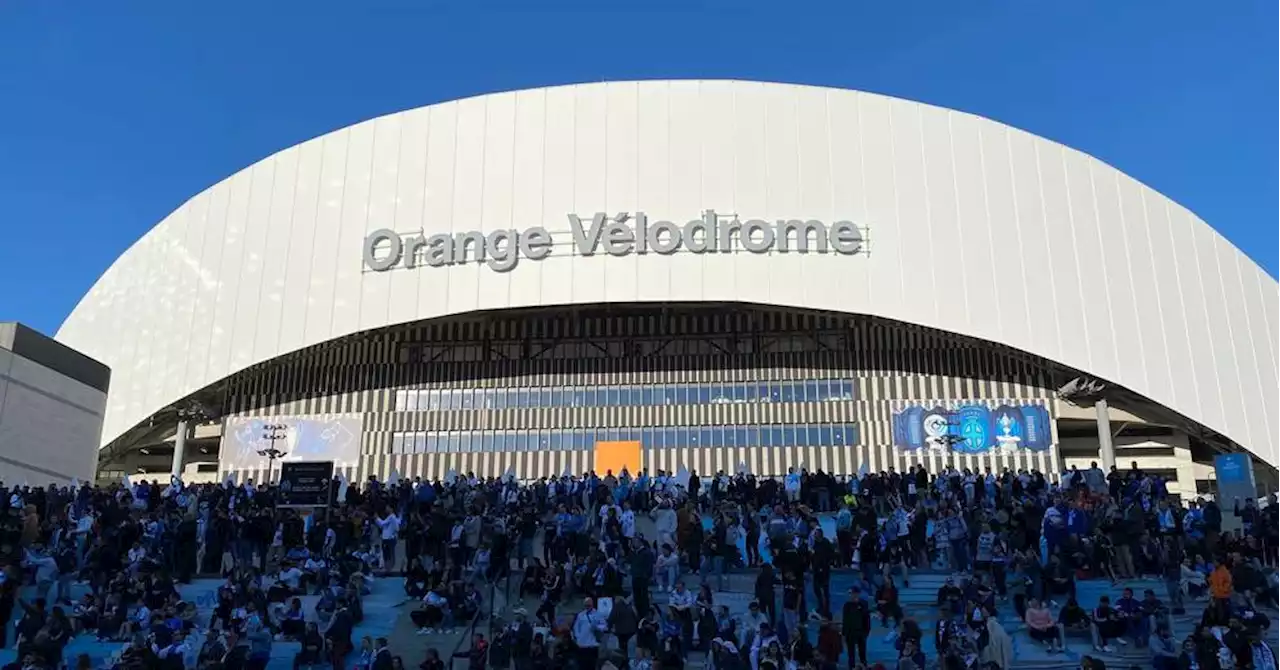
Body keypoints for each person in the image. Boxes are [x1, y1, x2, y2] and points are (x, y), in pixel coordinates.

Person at [841, 587, 871, 667]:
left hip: (861, 632)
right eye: (850, 593)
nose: (851, 595)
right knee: (851, 656)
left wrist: (866, 632)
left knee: (862, 655)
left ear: (857, 594)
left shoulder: (863, 604)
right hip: (850, 633)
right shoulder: (847, 605)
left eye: (852, 593)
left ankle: (864, 667)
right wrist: (843, 634)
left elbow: (867, 618)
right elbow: (845, 621)